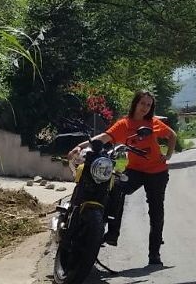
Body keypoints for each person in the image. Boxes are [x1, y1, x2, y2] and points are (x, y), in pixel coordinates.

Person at [69, 90, 175, 268]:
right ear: (135, 103)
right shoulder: (124, 124)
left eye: (149, 105)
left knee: (156, 212)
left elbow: (172, 136)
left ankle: (154, 254)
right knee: (115, 189)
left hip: (157, 172)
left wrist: (169, 155)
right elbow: (103, 138)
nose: (145, 108)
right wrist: (79, 147)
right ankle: (112, 233)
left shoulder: (153, 123)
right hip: (134, 170)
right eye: (143, 103)